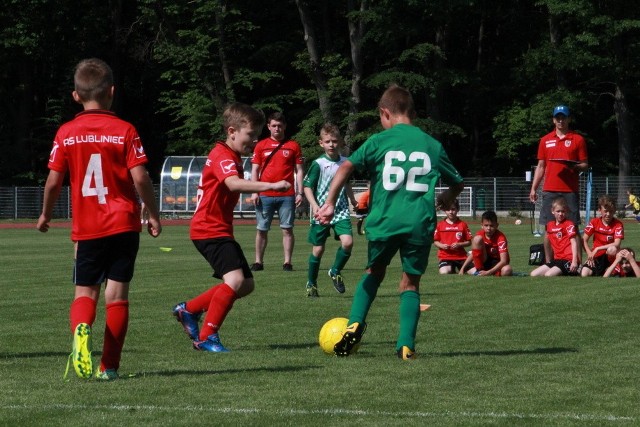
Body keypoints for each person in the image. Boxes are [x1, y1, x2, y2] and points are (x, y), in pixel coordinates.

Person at [315, 84, 464, 360]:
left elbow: (346, 165)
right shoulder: (432, 145)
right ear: (414, 114)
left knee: (373, 274)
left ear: (384, 113)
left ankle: (356, 323)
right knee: (410, 285)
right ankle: (406, 346)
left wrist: (330, 201)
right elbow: (458, 180)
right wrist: (447, 195)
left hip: (385, 221)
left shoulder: (378, 142)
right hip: (419, 224)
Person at [36, 58, 162, 381]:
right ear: (112, 92)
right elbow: (141, 177)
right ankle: (109, 367)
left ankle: (81, 327)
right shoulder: (125, 130)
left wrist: (46, 214)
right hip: (123, 223)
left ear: (76, 96)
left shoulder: (66, 132)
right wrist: (153, 213)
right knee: (117, 296)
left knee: (85, 293)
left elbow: (53, 182)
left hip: (87, 228)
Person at [172, 103, 290, 352]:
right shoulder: (222, 154)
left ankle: (189, 310)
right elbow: (234, 184)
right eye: (250, 135)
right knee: (235, 280)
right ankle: (206, 336)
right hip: (208, 229)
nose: (254, 140)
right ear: (232, 130)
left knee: (246, 284)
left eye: (257, 135)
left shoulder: (232, 156)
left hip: (219, 229)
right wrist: (270, 185)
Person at [303, 123, 358, 297]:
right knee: (318, 250)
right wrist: (314, 205)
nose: (332, 144)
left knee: (348, 242)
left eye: (335, 141)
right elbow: (307, 186)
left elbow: (347, 183)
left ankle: (335, 271)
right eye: (328, 141)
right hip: (321, 211)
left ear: (340, 142)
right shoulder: (318, 164)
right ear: (321, 143)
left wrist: (353, 200)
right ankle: (311, 283)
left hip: (340, 209)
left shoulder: (345, 163)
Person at [529, 105, 588, 262]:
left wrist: (574, 167)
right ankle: (549, 262)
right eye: (558, 117)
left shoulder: (578, 139)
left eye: (564, 117)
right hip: (550, 190)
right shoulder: (545, 140)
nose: (561, 120)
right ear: (553, 120)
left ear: (569, 119)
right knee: (549, 229)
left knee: (573, 228)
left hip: (570, 190)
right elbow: (541, 166)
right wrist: (533, 188)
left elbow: (585, 164)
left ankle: (578, 263)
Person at [250, 112, 304, 272]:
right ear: (268, 127)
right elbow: (255, 169)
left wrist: (299, 192)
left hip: (286, 196)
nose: (277, 129)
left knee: (287, 229)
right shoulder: (261, 145)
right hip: (264, 194)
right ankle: (258, 262)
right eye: (274, 125)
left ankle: (287, 262)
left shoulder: (293, 145)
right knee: (261, 229)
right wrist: (254, 190)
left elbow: (299, 170)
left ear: (285, 126)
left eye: (280, 125)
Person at [530, 196, 579, 276]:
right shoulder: (550, 225)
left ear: (566, 212)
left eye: (563, 211)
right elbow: (551, 244)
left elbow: (573, 242)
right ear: (552, 211)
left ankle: (575, 269)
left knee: (548, 275)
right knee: (533, 274)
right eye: (558, 211)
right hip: (557, 259)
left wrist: (574, 261)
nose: (560, 214)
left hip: (568, 259)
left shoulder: (569, 224)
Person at [581, 195, 624, 277]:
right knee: (584, 274)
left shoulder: (618, 224)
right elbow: (584, 240)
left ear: (614, 211)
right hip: (596, 257)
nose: (608, 214)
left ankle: (610, 267)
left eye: (611, 211)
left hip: (610, 256)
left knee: (612, 249)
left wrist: (597, 248)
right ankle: (598, 270)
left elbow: (617, 243)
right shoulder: (594, 222)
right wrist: (590, 254)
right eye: (605, 211)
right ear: (599, 210)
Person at [460, 210, 512, 276]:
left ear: (497, 225)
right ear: (482, 225)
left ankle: (487, 272)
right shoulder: (480, 234)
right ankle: (479, 270)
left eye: (491, 226)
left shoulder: (501, 238)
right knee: (477, 239)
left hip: (496, 262)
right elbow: (474, 253)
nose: (489, 228)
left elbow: (504, 261)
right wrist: (462, 268)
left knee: (507, 270)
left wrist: (489, 272)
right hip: (484, 261)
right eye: (486, 225)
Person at [433, 199, 472, 274]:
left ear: (458, 210)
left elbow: (469, 242)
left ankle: (469, 257)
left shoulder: (463, 224)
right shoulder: (440, 225)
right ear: (444, 210)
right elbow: (435, 241)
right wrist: (442, 245)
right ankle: (451, 268)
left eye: (453, 209)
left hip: (461, 256)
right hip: (445, 256)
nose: (451, 212)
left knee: (473, 272)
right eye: (448, 209)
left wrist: (459, 244)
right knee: (444, 272)